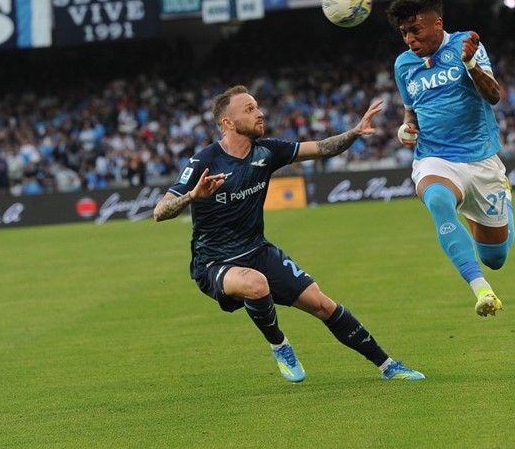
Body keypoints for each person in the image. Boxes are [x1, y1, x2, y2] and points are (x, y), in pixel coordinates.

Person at [152, 85, 425, 383]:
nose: (259, 113)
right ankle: (280, 345)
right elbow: (160, 211)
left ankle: (388, 366)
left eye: (257, 106)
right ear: (227, 122)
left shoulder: (267, 151)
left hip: (258, 251)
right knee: (256, 284)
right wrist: (192, 196)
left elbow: (322, 148)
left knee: (323, 304)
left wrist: (356, 131)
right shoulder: (203, 162)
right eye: (249, 109)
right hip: (214, 262)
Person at [385, 0, 515, 318]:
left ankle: (501, 198)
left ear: (438, 24)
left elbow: (494, 96)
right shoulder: (403, 64)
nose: (409, 40)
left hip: (480, 159)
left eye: (415, 30)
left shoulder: (465, 45)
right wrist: (406, 127)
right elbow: (411, 111)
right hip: (435, 158)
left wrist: (470, 63)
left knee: (496, 257)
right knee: (439, 200)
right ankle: (482, 290)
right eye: (404, 33)